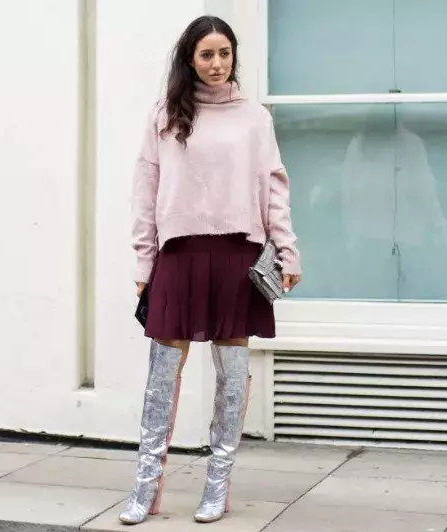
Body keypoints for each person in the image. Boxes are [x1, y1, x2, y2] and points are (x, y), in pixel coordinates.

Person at [119, 15, 302, 525]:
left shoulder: (254, 118)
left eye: (225, 53)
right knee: (162, 374)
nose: (217, 63)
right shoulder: (164, 115)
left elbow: (275, 186)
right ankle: (146, 488)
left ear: (233, 56)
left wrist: (288, 250)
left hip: (238, 255)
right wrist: (143, 259)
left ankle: (217, 485)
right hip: (178, 254)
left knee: (232, 374)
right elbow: (145, 190)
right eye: (207, 55)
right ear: (190, 59)